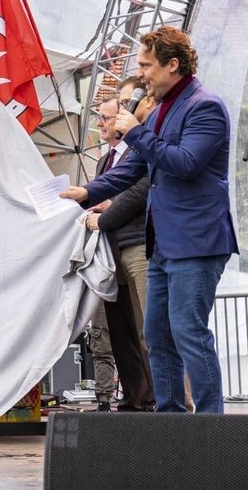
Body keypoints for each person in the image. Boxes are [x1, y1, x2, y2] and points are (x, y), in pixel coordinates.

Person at [61, 26, 238, 413]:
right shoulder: (161, 111)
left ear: (172, 65)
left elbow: (186, 164)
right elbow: (133, 168)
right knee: (156, 336)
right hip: (162, 243)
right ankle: (170, 418)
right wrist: (88, 192)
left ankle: (212, 423)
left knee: (189, 332)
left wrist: (138, 132)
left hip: (197, 242)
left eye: (146, 65)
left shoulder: (204, 106)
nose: (141, 73)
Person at [83, 80, 156, 411]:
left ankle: (160, 400)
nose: (101, 123)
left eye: (106, 117)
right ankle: (133, 397)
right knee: (120, 330)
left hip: (138, 243)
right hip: (111, 252)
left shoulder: (138, 151)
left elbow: (138, 192)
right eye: (99, 117)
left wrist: (105, 212)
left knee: (147, 329)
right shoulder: (104, 160)